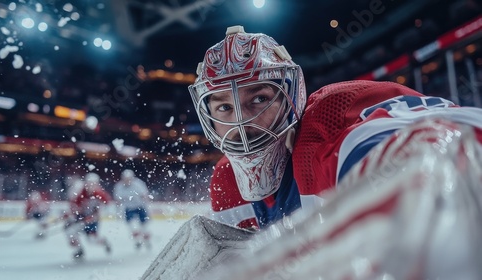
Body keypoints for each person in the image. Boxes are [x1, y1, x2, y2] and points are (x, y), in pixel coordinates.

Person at [187, 25, 482, 230]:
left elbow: (422, 150)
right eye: (224, 107)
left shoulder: (330, 136)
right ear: (208, 118)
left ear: (291, 99)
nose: (243, 121)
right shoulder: (227, 184)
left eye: (260, 98)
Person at [64, 172, 112, 259]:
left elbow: (107, 208)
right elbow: (75, 206)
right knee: (70, 232)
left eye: (93, 184)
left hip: (92, 221)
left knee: (92, 240)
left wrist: (95, 216)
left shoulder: (101, 195)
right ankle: (79, 250)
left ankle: (104, 241)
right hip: (82, 218)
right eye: (88, 184)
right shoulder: (82, 193)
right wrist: (71, 214)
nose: (90, 186)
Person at [113, 169, 151, 249]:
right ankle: (137, 241)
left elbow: (145, 196)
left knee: (144, 227)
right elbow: (117, 201)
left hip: (140, 207)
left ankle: (147, 241)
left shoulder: (139, 184)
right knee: (132, 226)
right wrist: (118, 211)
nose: (127, 181)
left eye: (129, 178)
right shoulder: (119, 186)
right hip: (129, 208)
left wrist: (147, 208)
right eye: (125, 179)